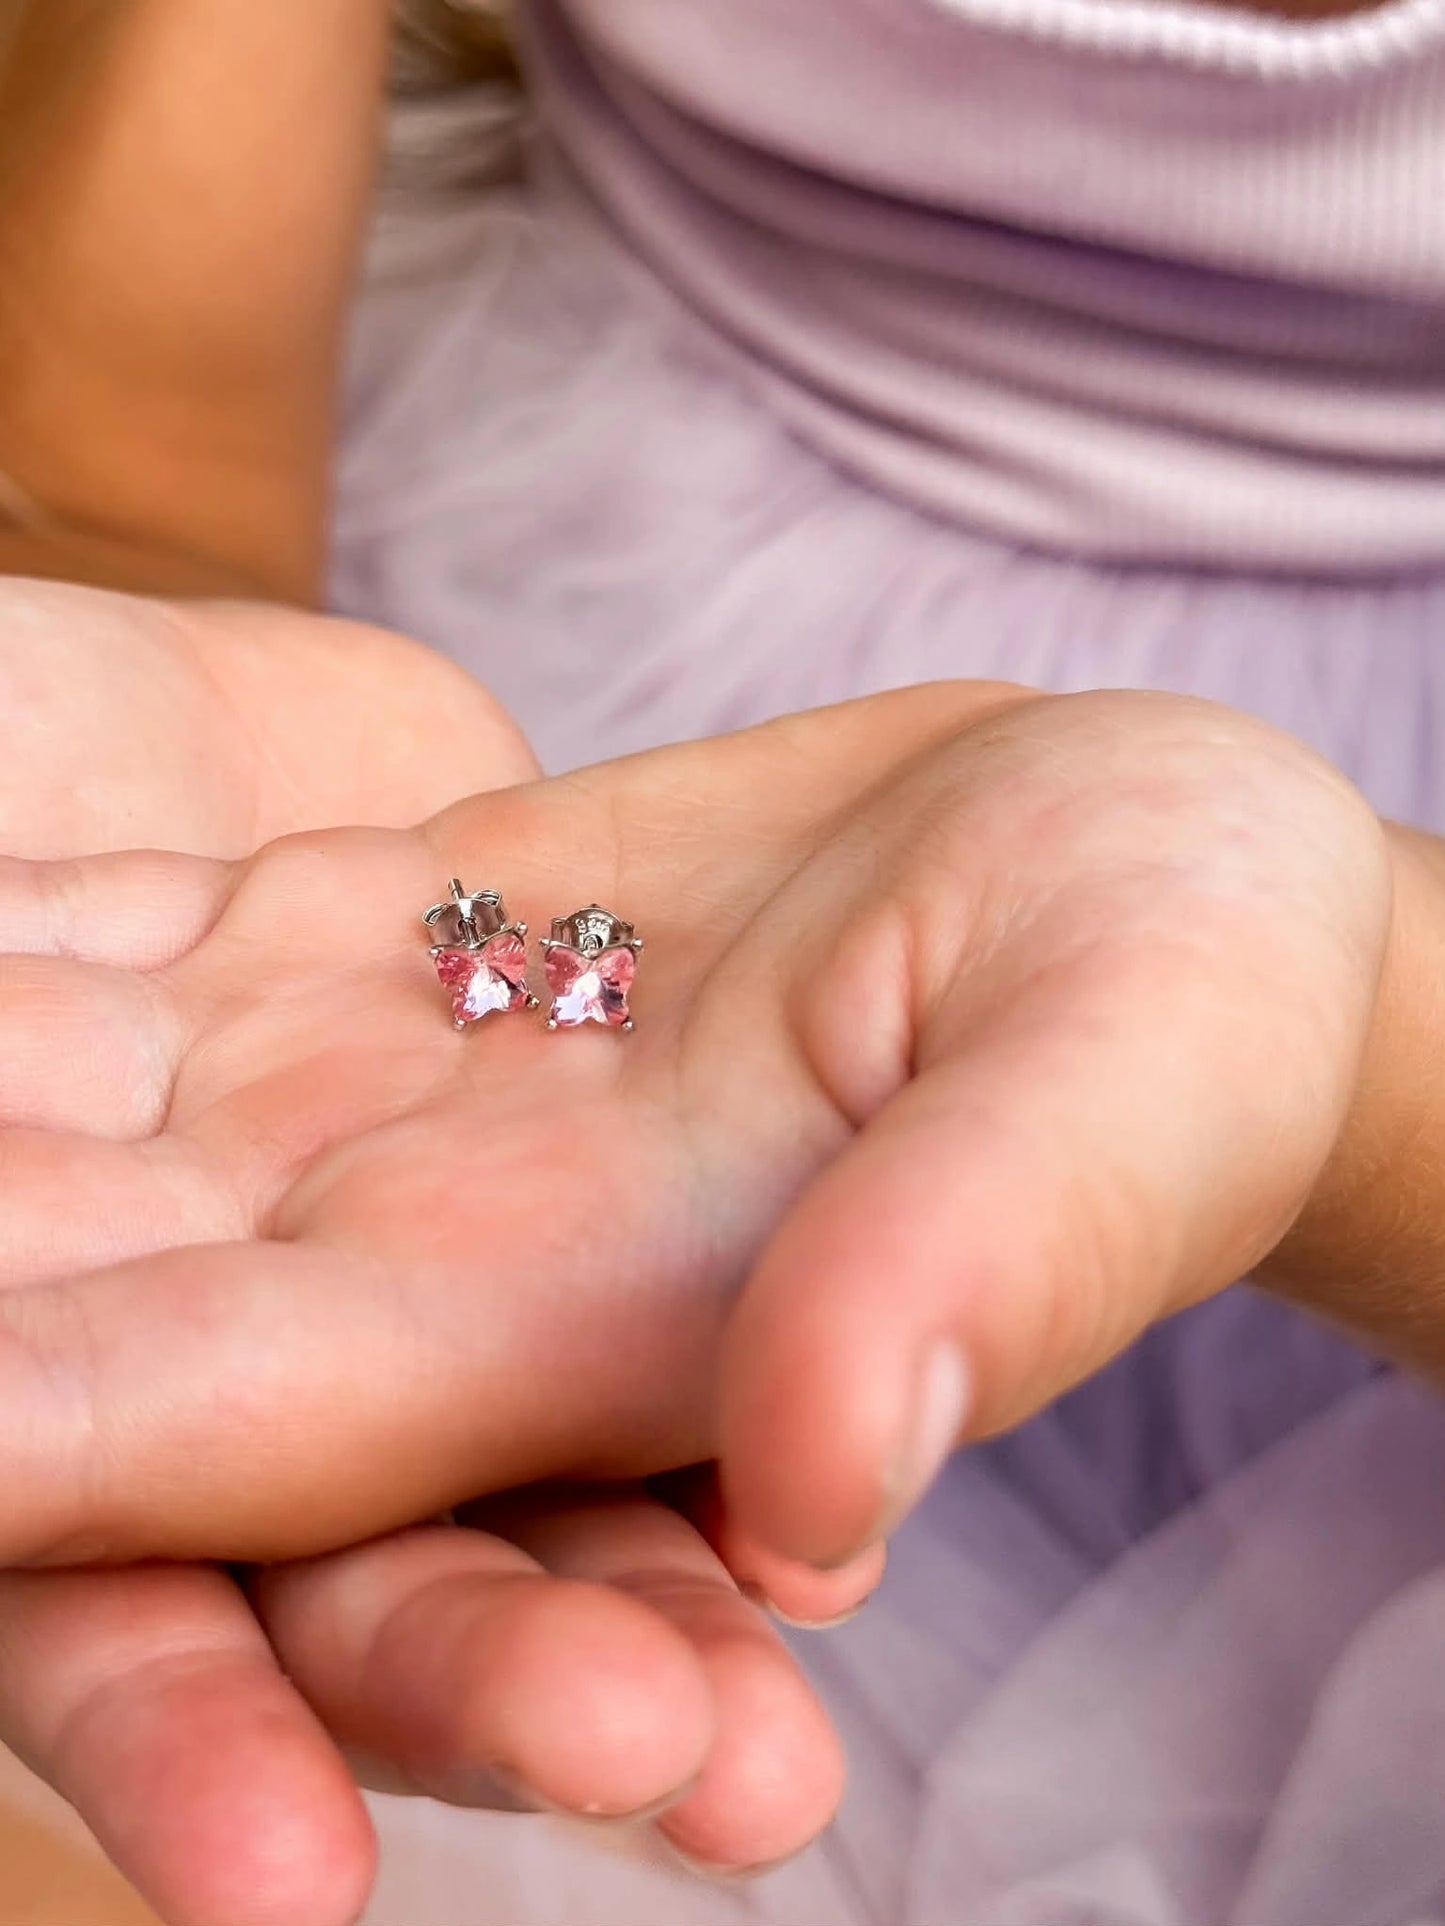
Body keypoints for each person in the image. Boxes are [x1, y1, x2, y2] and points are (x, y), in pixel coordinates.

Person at [2, 4, 1445, 1926]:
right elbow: (137, 475)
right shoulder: (485, 915)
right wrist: (148, 663)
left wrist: (1367, 1026)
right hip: (576, 575)